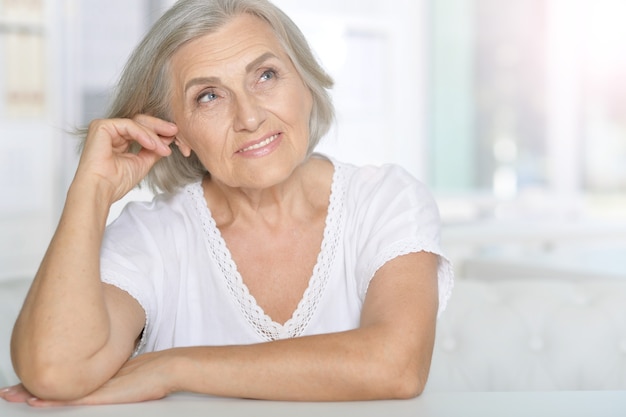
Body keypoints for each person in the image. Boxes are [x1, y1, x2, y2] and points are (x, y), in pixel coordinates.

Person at [0, 0, 453, 406]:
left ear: (305, 85)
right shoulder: (154, 236)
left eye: (266, 75)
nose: (250, 117)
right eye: (209, 96)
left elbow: (396, 365)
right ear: (174, 131)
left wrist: (172, 367)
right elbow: (55, 371)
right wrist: (91, 191)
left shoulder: (385, 201)